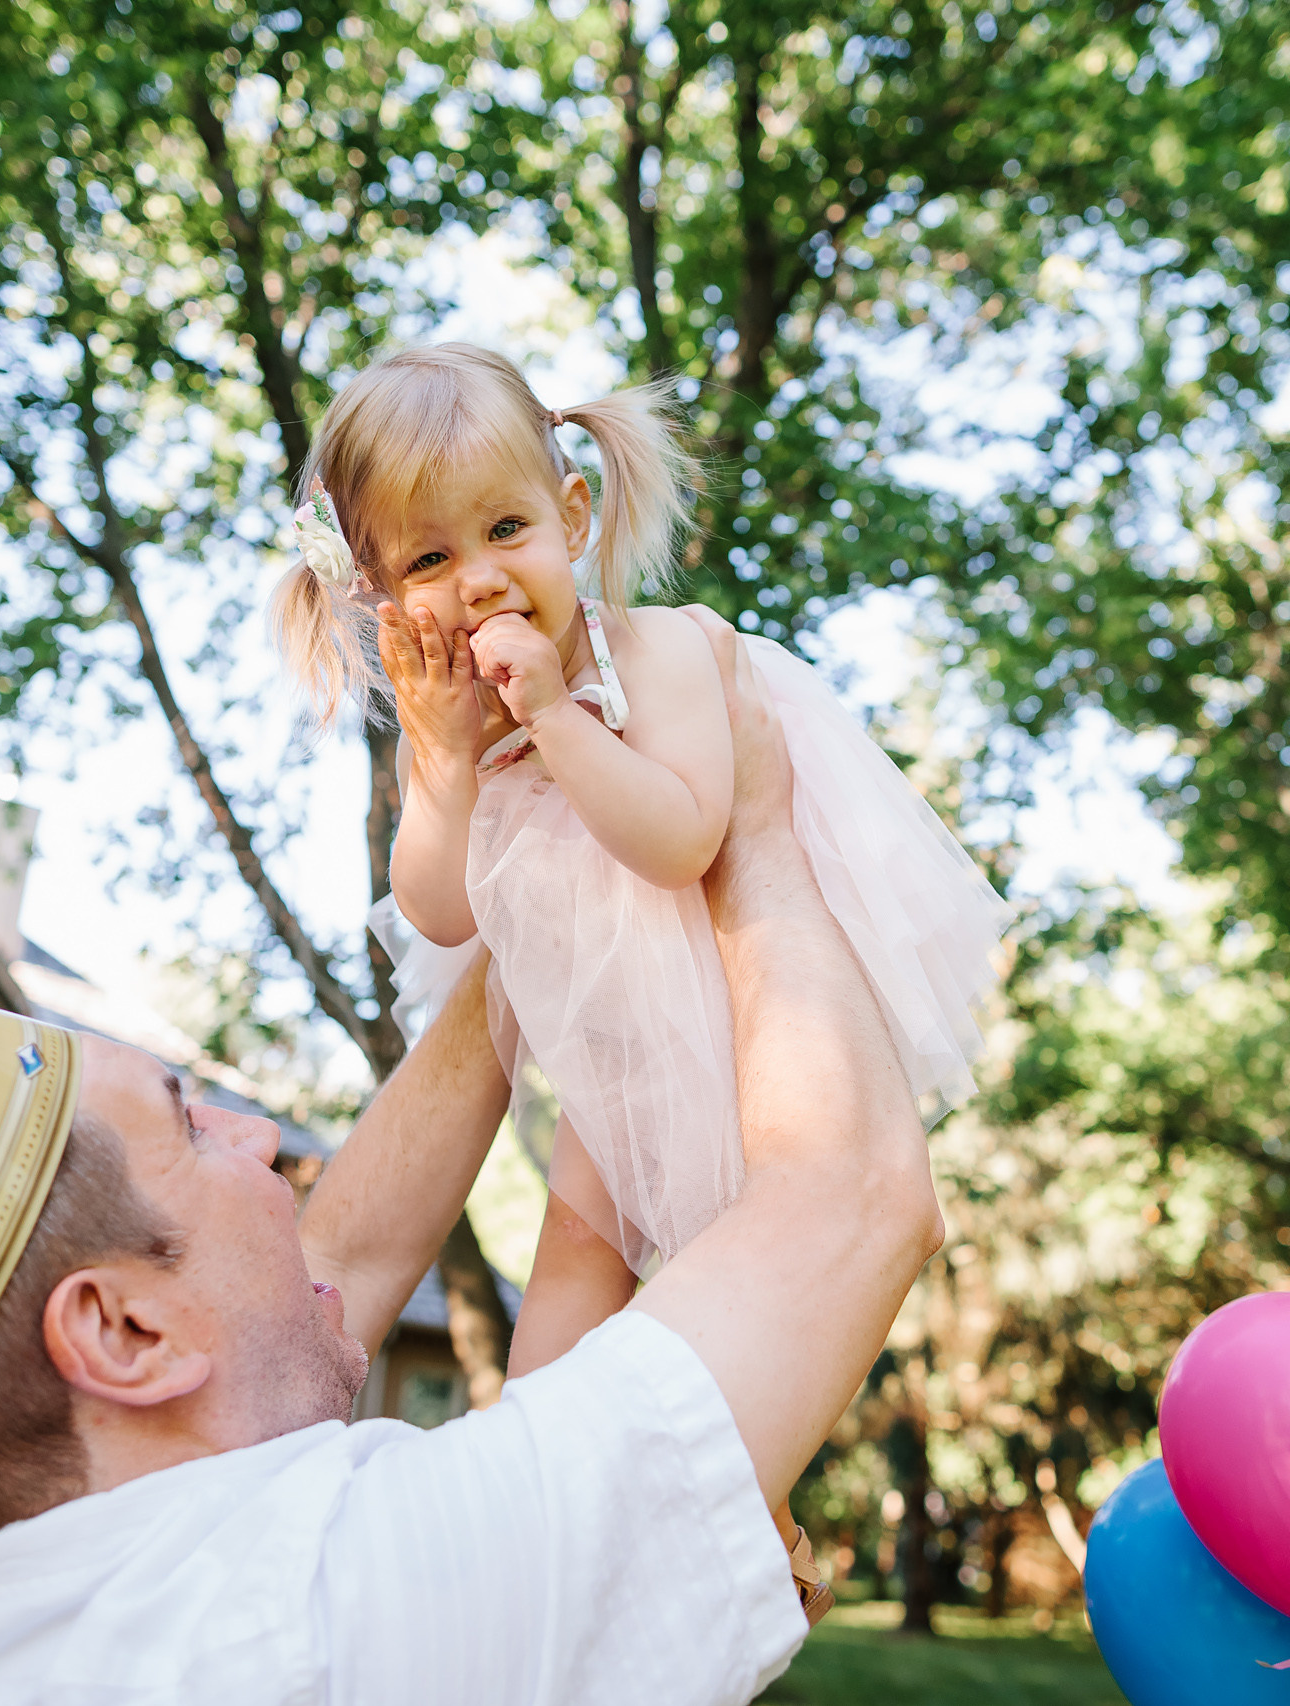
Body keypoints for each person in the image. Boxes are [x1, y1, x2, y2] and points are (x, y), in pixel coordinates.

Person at [0, 612, 943, 1705]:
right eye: (187, 1118)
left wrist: (540, 907)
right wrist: (752, 826)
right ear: (117, 1326)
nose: (265, 1134)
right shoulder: (346, 1616)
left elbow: (315, 1271)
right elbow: (851, 1196)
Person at [271, 342, 1006, 1394]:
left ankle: (748, 1481)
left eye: (505, 530)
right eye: (429, 562)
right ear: (382, 591)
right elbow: (437, 915)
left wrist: (554, 717)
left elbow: (684, 842)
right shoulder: (451, 716)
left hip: (750, 983)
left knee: (760, 1236)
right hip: (618, 1010)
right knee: (578, 1241)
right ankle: (535, 1453)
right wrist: (438, 762)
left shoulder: (651, 651)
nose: (478, 578)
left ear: (571, 518)